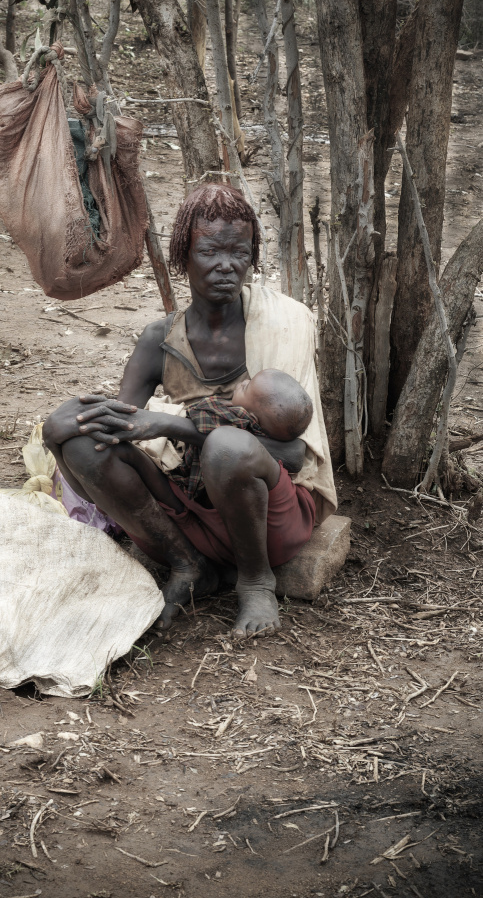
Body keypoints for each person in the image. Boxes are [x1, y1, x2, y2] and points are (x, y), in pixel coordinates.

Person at [43, 184, 336, 639]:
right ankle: (188, 564)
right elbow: (119, 428)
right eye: (210, 252)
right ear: (183, 255)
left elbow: (294, 455)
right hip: (188, 506)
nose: (226, 266)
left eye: (239, 252)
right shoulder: (159, 340)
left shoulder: (282, 322)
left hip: (271, 515)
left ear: (252, 255)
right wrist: (63, 427)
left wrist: (171, 424)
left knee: (226, 447)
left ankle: (255, 580)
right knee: (78, 441)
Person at [168, 368, 314, 502]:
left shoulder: (233, 419)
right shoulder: (267, 433)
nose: (243, 382)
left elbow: (199, 421)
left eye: (245, 388)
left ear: (252, 418)